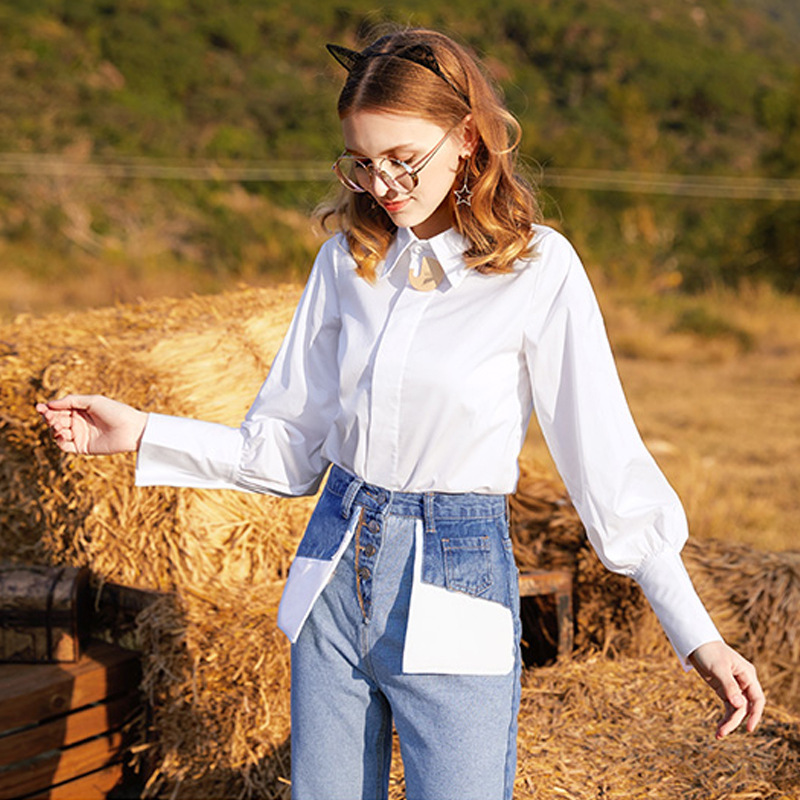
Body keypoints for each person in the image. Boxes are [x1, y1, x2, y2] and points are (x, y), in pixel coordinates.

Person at [37, 27, 764, 800]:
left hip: (455, 573)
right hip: (334, 569)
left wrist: (697, 636)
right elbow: (286, 454)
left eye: (402, 159)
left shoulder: (537, 269)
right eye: (363, 160)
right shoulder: (344, 265)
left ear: (468, 141)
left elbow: (604, 462)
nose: (381, 182)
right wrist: (143, 430)